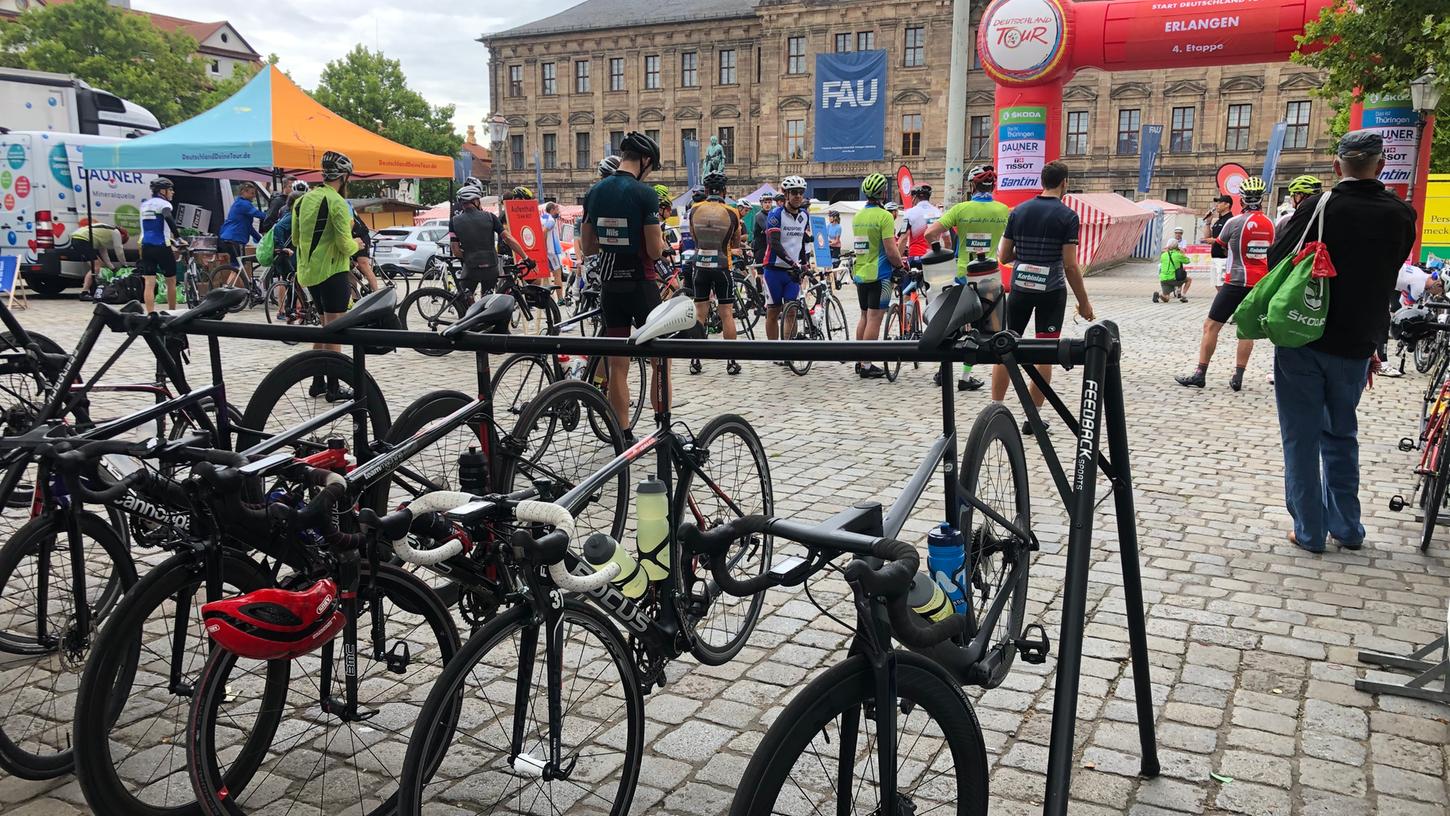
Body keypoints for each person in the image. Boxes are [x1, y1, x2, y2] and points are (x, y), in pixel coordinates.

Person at [1267, 130, 1415, 553]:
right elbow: (1391, 269)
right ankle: (1348, 528)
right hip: (1357, 341)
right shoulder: (1401, 214)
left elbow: (1278, 259)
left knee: (1301, 436)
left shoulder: (1320, 206)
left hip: (1303, 333)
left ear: (1337, 167)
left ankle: (1310, 532)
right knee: (1341, 434)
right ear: (1381, 166)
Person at [578, 131, 669, 430]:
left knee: (618, 364)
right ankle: (661, 426)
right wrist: (662, 245)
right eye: (651, 166)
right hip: (641, 284)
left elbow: (588, 247)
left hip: (610, 285)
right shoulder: (645, 194)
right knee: (661, 360)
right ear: (644, 160)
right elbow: (654, 250)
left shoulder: (595, 192)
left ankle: (622, 432)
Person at [991, 160, 1095, 420]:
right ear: (1064, 183)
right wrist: (1084, 302)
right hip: (1052, 292)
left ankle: (995, 408)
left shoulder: (1019, 211)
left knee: (1005, 346)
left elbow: (1003, 256)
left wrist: (1025, 255)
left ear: (1042, 181)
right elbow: (1070, 265)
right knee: (1045, 352)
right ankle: (1033, 416)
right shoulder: (1068, 216)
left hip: (1019, 289)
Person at [1175, 176, 1275, 391]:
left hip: (1235, 280)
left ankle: (1200, 373)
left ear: (1243, 199)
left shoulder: (1234, 222)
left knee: (1211, 326)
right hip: (1259, 283)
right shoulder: (1270, 224)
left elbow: (1220, 246)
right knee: (1247, 330)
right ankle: (1238, 377)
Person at [926, 164, 1010, 391]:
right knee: (985, 331)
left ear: (973, 185)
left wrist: (940, 250)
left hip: (963, 276)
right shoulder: (1004, 210)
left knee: (953, 326)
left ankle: (943, 373)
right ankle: (965, 377)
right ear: (993, 187)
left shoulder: (960, 209)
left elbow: (929, 233)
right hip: (990, 278)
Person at [292, 150, 362, 401]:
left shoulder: (302, 201)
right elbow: (345, 245)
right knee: (336, 329)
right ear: (343, 177)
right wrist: (357, 244)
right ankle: (334, 386)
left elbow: (297, 239)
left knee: (324, 327)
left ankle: (317, 382)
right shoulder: (337, 202)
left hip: (309, 272)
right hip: (333, 271)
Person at [850, 172, 906, 379]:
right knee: (875, 318)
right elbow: (891, 250)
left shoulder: (858, 216)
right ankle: (866, 364)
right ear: (883, 192)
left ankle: (859, 360)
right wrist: (900, 266)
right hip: (880, 275)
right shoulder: (884, 216)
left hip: (861, 273)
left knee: (864, 316)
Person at [688, 170, 744, 375]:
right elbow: (736, 241)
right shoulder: (732, 211)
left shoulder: (694, 209)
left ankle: (695, 360)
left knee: (700, 314)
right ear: (724, 191)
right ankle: (731, 361)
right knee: (727, 314)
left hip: (701, 265)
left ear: (705, 190)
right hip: (722, 266)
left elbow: (694, 238)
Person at [452, 186, 527, 300]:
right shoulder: (490, 217)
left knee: (465, 296)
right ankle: (484, 312)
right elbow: (508, 238)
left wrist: (469, 255)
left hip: (471, 266)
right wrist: (525, 257)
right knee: (487, 298)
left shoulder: (454, 221)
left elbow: (455, 251)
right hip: (490, 266)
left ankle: (470, 309)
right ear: (476, 201)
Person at [138, 178, 181, 313]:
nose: (172, 192)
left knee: (149, 283)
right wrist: (178, 237)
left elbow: (151, 227)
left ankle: (150, 314)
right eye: (170, 189)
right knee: (171, 281)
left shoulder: (144, 204)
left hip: (146, 247)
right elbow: (168, 218)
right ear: (163, 191)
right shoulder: (163, 204)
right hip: (161, 246)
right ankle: (171, 312)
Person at [73, 222, 128, 301]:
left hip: (78, 237)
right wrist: (124, 264)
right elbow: (119, 250)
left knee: (98, 265)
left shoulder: (104, 233)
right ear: (122, 236)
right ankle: (84, 292)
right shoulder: (116, 232)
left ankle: (92, 288)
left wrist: (112, 268)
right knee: (96, 267)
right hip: (83, 239)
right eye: (122, 241)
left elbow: (103, 253)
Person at [898, 184, 941, 266]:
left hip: (916, 257)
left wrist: (897, 262)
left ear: (915, 197)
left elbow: (903, 238)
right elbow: (948, 241)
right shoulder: (938, 212)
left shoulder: (909, 213)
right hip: (934, 257)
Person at [1202, 194, 1233, 293]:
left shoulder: (1230, 220)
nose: (1217, 205)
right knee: (1217, 284)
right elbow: (1207, 236)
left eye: (1220, 203)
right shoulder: (1218, 220)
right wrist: (1208, 222)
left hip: (1224, 258)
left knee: (1223, 285)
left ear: (1227, 205)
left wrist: (1215, 240)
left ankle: (1227, 305)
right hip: (1215, 257)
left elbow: (1231, 239)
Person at [541, 201, 565, 292]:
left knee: (545, 276)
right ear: (552, 210)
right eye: (557, 210)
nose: (558, 212)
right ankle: (560, 299)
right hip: (552, 251)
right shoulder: (551, 220)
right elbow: (544, 231)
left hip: (546, 252)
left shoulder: (543, 217)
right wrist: (545, 246)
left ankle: (546, 297)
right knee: (557, 275)